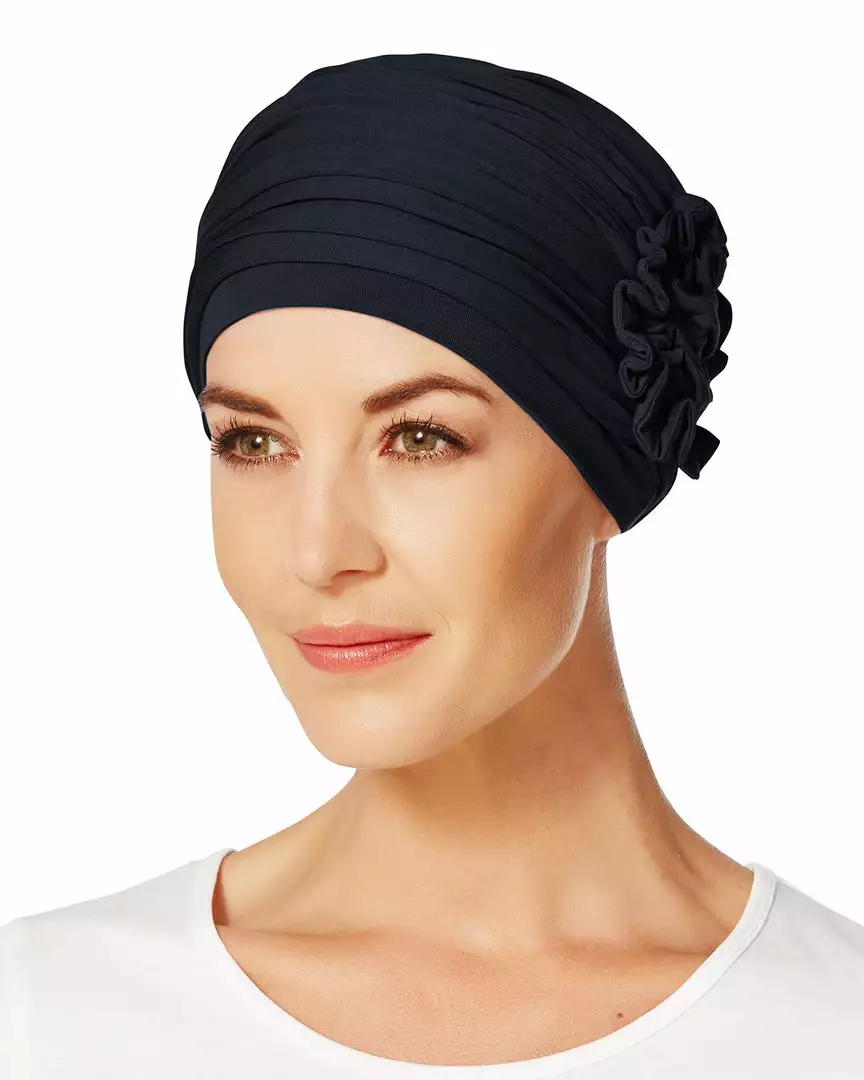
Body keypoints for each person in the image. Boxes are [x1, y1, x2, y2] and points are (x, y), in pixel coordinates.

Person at [2, 52, 862, 1080]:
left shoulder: (836, 1029)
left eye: (419, 438)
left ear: (611, 462)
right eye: (252, 442)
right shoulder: (46, 1011)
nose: (317, 553)